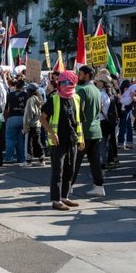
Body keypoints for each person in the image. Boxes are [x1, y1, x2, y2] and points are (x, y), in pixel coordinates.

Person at [41, 70, 85, 211]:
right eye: (62, 82)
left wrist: (81, 138)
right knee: (58, 171)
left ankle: (65, 196)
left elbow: (79, 121)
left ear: (73, 83)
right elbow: (42, 119)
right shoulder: (54, 99)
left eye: (68, 82)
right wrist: (52, 133)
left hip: (72, 140)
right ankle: (56, 200)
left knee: (70, 170)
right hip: (57, 141)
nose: (65, 85)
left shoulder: (76, 98)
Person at [72, 66, 106, 197]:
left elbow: (78, 112)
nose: (78, 76)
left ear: (86, 75)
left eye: (80, 73)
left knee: (74, 161)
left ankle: (68, 187)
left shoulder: (82, 90)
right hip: (96, 130)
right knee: (95, 161)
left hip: (83, 131)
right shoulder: (97, 90)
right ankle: (99, 186)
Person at [3, 78, 29, 165]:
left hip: (12, 117)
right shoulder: (26, 95)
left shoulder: (10, 95)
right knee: (20, 139)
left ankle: (9, 158)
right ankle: (21, 158)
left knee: (10, 139)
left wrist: (6, 119)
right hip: (22, 118)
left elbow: (6, 108)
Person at [23, 84, 46, 166]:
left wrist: (26, 126)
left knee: (28, 143)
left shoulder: (31, 100)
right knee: (37, 142)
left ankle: (28, 161)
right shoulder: (40, 99)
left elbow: (28, 114)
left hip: (31, 125)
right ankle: (41, 159)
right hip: (38, 124)